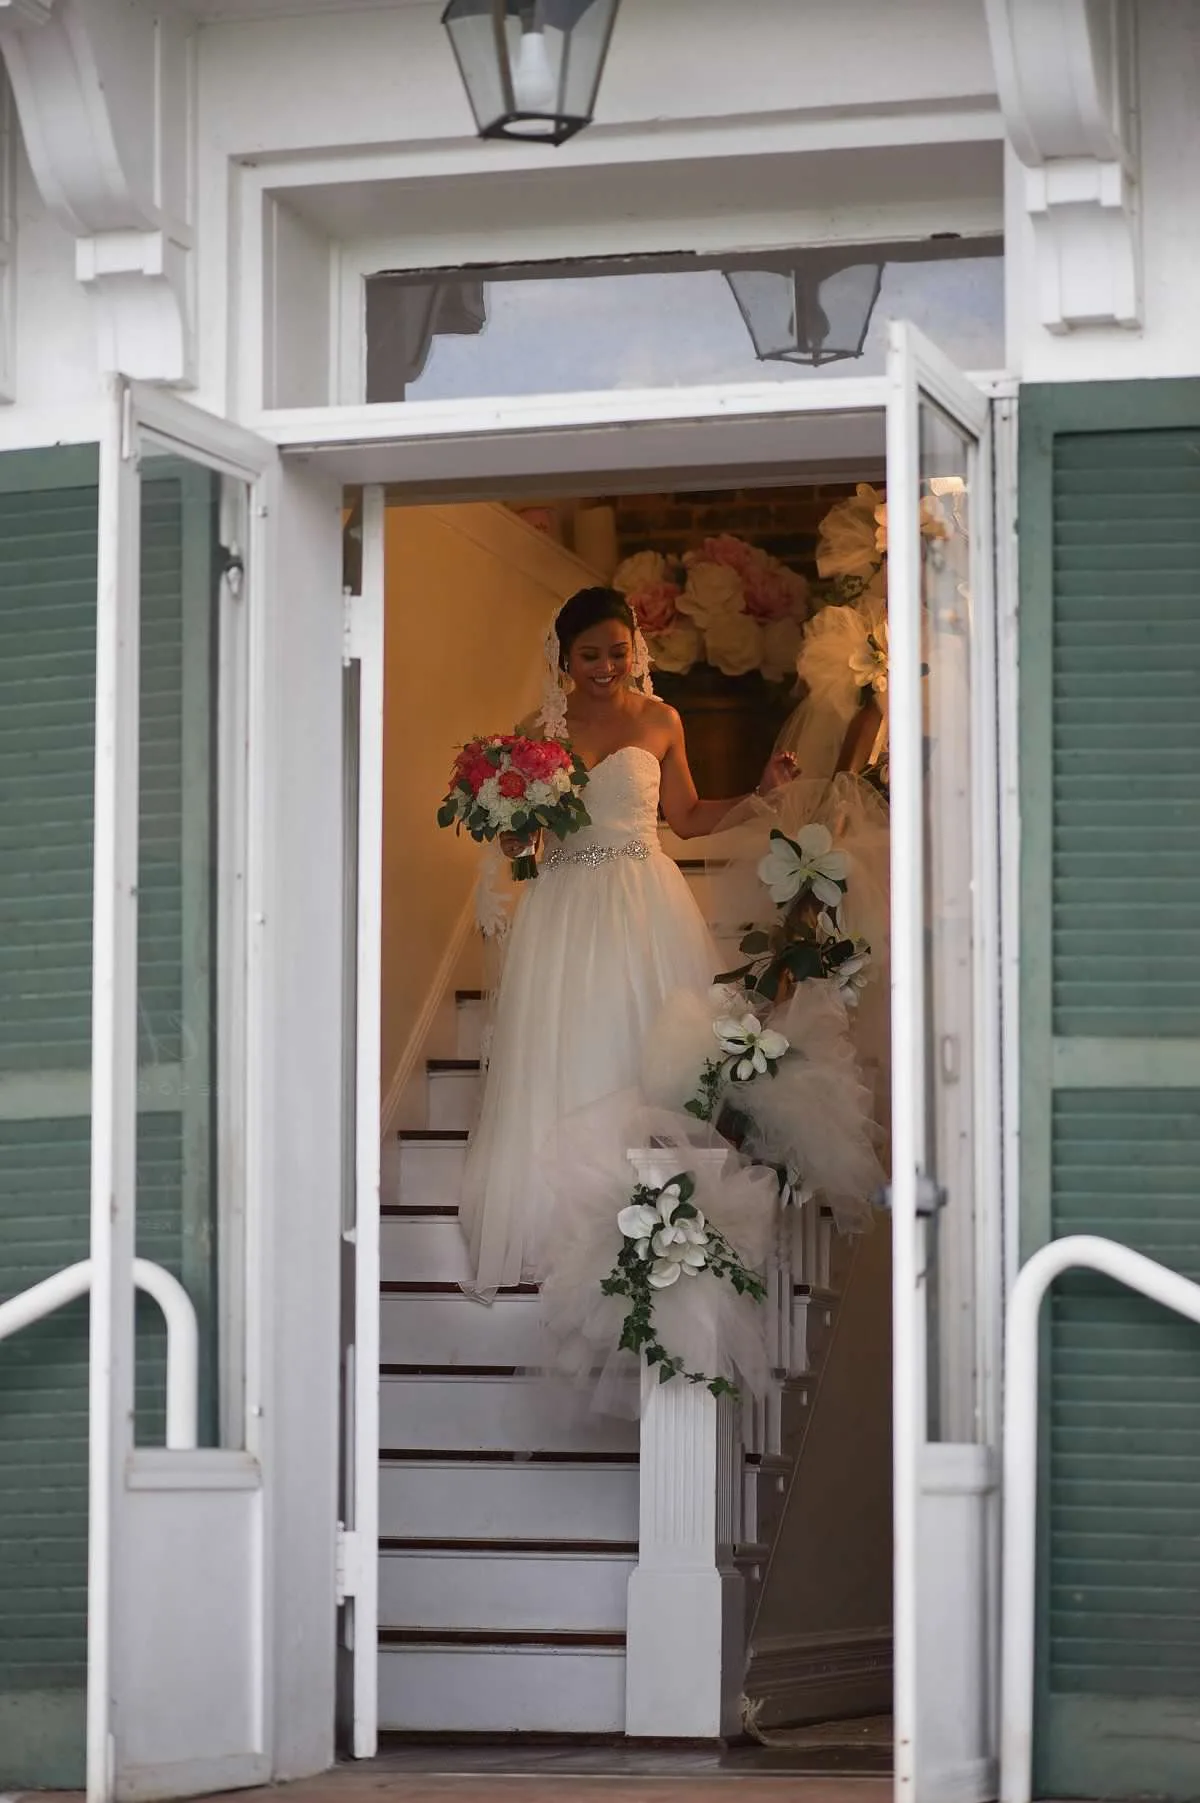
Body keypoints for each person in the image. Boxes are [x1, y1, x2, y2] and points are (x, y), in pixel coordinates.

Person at [459, 586, 796, 1297]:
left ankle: (662, 1208)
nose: (606, 665)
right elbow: (532, 835)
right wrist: (519, 836)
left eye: (618, 650)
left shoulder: (662, 718)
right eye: (590, 655)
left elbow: (689, 816)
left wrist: (760, 789)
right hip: (567, 906)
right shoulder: (539, 730)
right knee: (579, 1047)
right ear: (563, 656)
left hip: (646, 896)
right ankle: (577, 1221)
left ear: (634, 646)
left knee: (652, 1046)